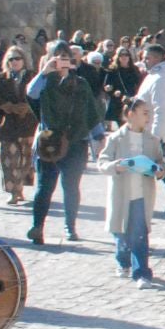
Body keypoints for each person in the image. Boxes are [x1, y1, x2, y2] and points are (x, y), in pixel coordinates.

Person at [27, 41, 105, 246]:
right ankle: (38, 227)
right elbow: (31, 93)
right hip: (50, 141)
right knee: (45, 187)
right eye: (57, 56)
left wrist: (98, 136)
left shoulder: (81, 83)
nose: (62, 60)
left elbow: (90, 111)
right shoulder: (44, 82)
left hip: (76, 141)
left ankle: (70, 226)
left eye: (65, 56)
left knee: (71, 186)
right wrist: (45, 72)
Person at [100, 98, 165, 286]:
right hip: (121, 193)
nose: (148, 117)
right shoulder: (115, 138)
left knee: (139, 233)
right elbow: (102, 162)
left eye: (149, 113)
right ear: (131, 114)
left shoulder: (152, 140)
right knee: (121, 232)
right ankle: (123, 261)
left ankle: (142, 273)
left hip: (142, 194)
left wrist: (159, 170)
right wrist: (116, 166)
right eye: (144, 113)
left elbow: (161, 163)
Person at [0, 46, 37, 205]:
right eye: (11, 59)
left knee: (25, 160)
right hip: (7, 125)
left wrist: (27, 107)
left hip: (28, 125)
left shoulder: (32, 77)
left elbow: (41, 95)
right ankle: (13, 192)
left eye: (17, 58)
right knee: (9, 160)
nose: (14, 62)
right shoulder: (0, 78)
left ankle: (20, 187)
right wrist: (7, 106)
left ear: (24, 60)